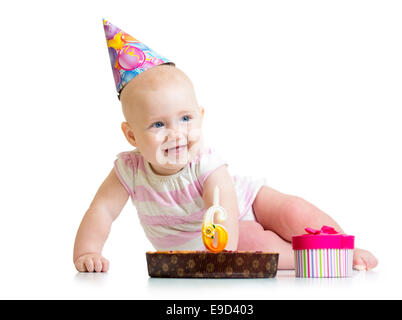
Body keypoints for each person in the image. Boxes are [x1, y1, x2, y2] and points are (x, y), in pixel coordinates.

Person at [73, 20, 378, 272]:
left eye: (186, 118)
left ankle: (341, 246)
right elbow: (101, 210)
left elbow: (223, 208)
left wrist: (227, 249)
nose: (177, 134)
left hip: (240, 205)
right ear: (132, 136)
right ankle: (314, 258)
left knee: (292, 211)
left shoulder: (205, 161)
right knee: (261, 246)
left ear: (201, 116)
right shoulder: (129, 169)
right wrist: (87, 251)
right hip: (199, 247)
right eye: (158, 124)